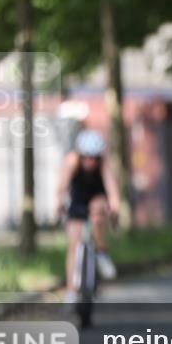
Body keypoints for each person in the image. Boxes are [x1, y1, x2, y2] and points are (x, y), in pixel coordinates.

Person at [56, 129, 120, 303]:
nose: (89, 161)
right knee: (74, 244)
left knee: (98, 209)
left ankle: (102, 252)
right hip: (78, 200)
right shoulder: (72, 162)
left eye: (94, 158)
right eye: (86, 157)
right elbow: (62, 187)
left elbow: (112, 189)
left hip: (96, 197)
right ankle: (71, 290)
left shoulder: (104, 165)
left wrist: (115, 206)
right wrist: (60, 203)